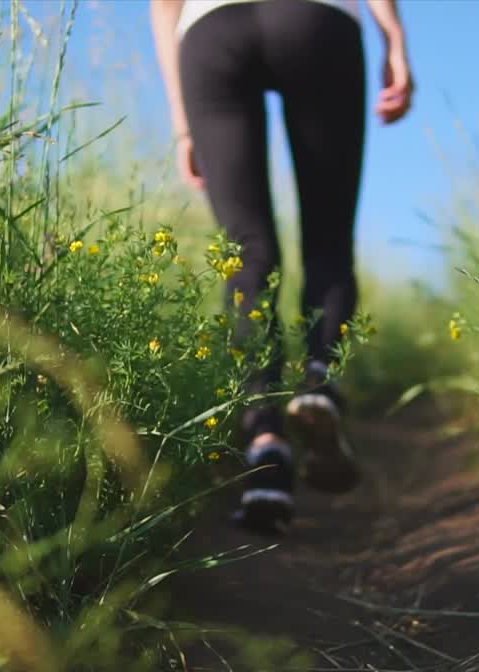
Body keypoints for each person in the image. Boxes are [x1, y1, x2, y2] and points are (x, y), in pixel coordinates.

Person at [151, 0, 414, 535]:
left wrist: (183, 125)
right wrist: (394, 39)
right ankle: (318, 381)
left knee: (247, 252)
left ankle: (266, 448)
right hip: (316, 21)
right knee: (327, 237)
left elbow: (163, 6)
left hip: (211, 30)